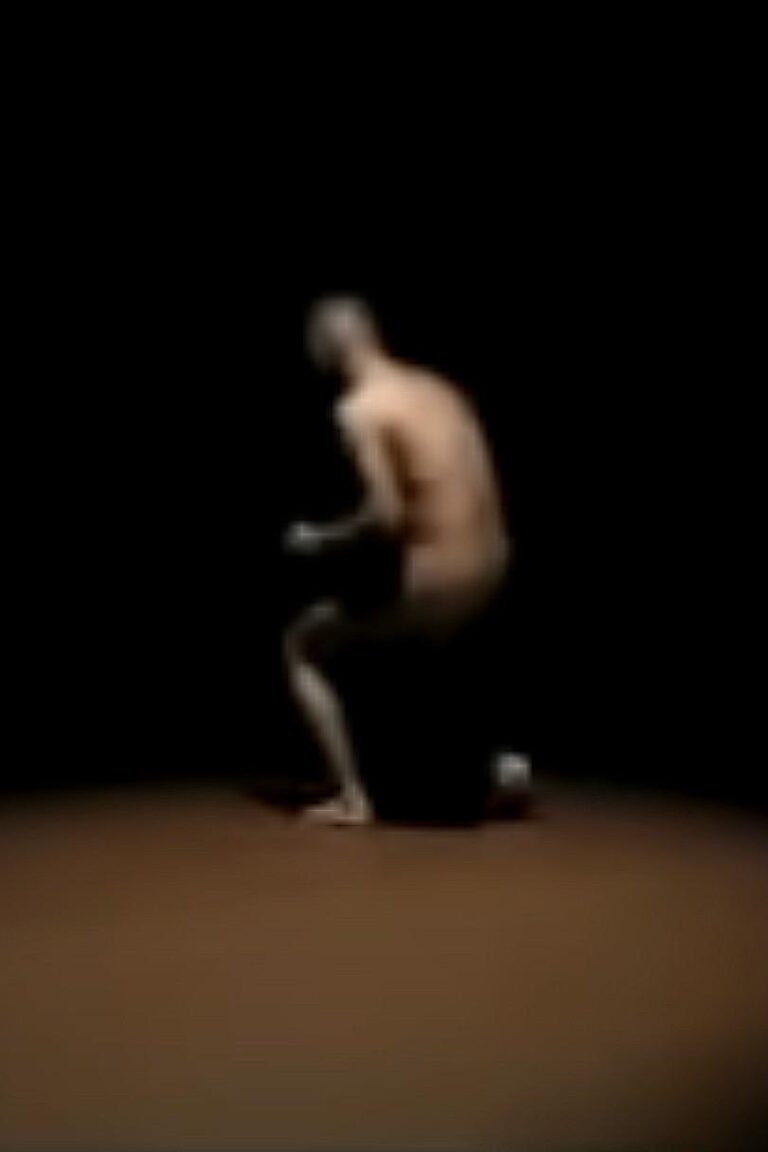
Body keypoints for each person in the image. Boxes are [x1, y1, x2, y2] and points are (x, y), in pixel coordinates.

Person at [284, 297, 512, 825]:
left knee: (303, 646)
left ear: (323, 352)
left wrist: (319, 539)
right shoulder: (436, 387)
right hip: (494, 565)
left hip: (443, 580)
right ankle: (489, 769)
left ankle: (350, 795)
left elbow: (386, 517)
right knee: (398, 637)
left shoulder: (360, 409)